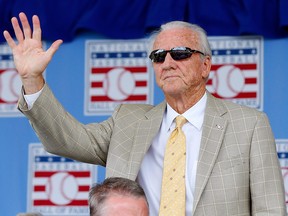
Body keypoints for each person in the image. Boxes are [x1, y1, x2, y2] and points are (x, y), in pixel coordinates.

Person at [3, 12, 286, 215]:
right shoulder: (128, 120)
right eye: (159, 56)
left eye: (180, 53)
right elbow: (66, 140)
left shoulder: (248, 125)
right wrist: (32, 80)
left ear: (205, 65)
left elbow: (270, 210)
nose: (168, 62)